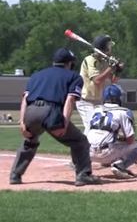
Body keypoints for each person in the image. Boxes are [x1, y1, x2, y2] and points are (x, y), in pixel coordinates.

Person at [9, 48, 100, 186]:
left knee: (30, 140)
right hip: (51, 111)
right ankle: (83, 175)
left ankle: (15, 175)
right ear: (69, 63)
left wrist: (22, 121)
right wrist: (64, 122)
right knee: (80, 141)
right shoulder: (74, 77)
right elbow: (69, 100)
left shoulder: (36, 75)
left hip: (31, 111)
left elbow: (25, 99)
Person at [87, 84, 137, 178]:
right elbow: (130, 140)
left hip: (87, 153)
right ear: (118, 98)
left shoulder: (96, 110)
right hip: (106, 153)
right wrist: (120, 139)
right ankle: (120, 166)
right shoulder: (123, 112)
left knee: (106, 139)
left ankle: (81, 164)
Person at [76, 35, 123, 135]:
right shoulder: (90, 60)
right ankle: (83, 149)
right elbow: (97, 81)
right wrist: (110, 68)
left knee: (100, 126)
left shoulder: (105, 61)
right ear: (104, 48)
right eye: (109, 46)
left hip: (98, 101)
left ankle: (93, 148)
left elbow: (113, 80)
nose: (111, 48)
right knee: (90, 126)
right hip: (85, 100)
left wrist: (118, 70)